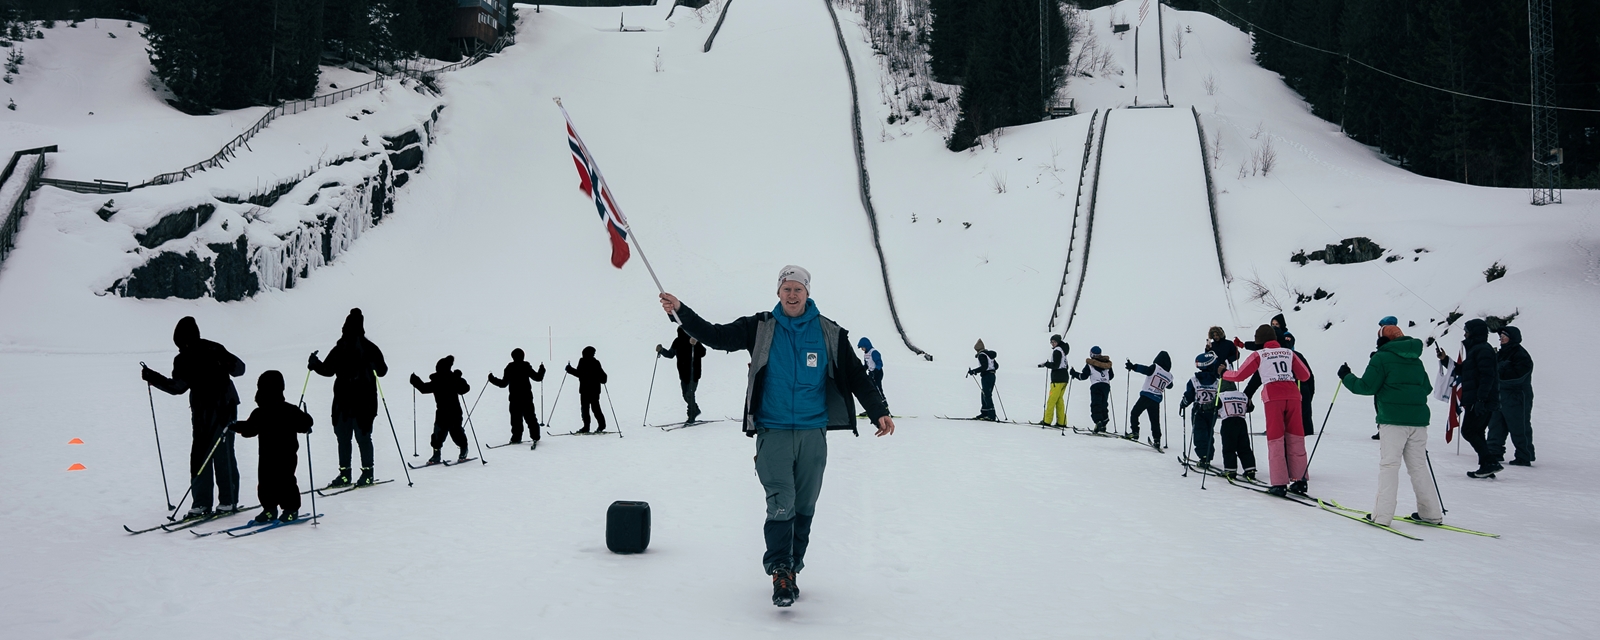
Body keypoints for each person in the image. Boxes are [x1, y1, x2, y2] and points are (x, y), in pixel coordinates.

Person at [657, 265, 893, 608]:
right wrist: (680, 311)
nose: (792, 295)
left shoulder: (828, 332)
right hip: (774, 430)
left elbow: (856, 375)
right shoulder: (760, 327)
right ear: (778, 292)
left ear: (807, 293)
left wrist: (878, 409)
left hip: (813, 432)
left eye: (798, 289)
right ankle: (780, 570)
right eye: (787, 289)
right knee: (782, 502)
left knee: (805, 506)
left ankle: (792, 568)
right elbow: (716, 336)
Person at [1338, 324, 1443, 526]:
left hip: (1393, 421)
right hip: (1418, 421)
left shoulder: (1381, 358)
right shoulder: (1416, 359)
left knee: (1389, 466)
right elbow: (1427, 388)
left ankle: (1382, 516)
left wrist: (1346, 376)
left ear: (1382, 341)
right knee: (1418, 467)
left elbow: (1366, 387)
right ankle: (1431, 513)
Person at [140, 317, 246, 517]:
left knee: (216, 455)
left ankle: (220, 501)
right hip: (206, 411)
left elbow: (239, 369)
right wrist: (153, 377)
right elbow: (179, 386)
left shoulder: (206, 351)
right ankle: (208, 502)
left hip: (221, 408)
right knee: (207, 455)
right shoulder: (193, 355)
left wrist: (153, 377)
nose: (183, 345)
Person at [1223, 325, 1310, 496]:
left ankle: (1279, 483)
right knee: (1296, 437)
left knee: (1276, 438)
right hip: (1293, 395)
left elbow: (1239, 376)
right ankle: (1300, 480)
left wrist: (1223, 373)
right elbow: (1305, 375)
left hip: (1273, 397)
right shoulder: (1288, 352)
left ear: (1259, 341)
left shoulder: (1259, 354)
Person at [308, 308, 388, 487]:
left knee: (344, 438)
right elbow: (382, 371)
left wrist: (314, 364)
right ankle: (367, 473)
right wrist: (373, 365)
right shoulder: (370, 348)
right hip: (365, 402)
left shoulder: (340, 347)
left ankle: (345, 474)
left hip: (343, 402)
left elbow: (327, 370)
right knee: (363, 437)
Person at [231, 370, 314, 523]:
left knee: (284, 480)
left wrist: (306, 422)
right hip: (267, 454)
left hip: (285, 454)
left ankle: (290, 509)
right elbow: (250, 429)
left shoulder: (284, 410)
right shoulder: (264, 412)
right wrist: (236, 426)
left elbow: (304, 423)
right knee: (266, 481)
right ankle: (269, 509)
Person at [1444, 319, 1500, 477]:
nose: (1464, 334)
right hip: (1479, 399)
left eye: (1467, 331)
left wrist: (1481, 400)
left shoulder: (1483, 350)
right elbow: (1464, 371)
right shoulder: (1476, 349)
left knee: (1469, 431)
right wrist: (1445, 360)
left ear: (1474, 332)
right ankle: (1487, 466)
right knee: (1477, 431)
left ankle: (1489, 462)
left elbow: (1487, 377)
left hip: (1481, 400)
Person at [1487, 326, 1535, 467]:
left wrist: (1500, 371)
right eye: (1500, 336)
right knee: (1495, 425)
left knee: (1519, 426)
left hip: (1517, 396)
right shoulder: (1500, 353)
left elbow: (1518, 376)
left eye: (1504, 336)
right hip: (1499, 395)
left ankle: (1524, 455)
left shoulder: (1521, 355)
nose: (1501, 338)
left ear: (1512, 338)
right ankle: (1494, 452)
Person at [411, 356, 471, 464]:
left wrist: (415, 381)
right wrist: (416, 381)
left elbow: (464, 389)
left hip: (453, 412)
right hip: (443, 413)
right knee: (440, 434)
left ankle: (460, 451)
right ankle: (439, 455)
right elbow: (464, 389)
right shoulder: (440, 380)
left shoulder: (452, 379)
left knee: (451, 433)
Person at [488, 349, 546, 446]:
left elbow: (503, 384)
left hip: (514, 399)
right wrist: (542, 370)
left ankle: (516, 438)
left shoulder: (509, 368)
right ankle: (535, 436)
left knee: (516, 420)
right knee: (531, 418)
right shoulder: (526, 366)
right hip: (527, 398)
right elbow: (538, 378)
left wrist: (492, 379)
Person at [1124, 351, 1174, 447]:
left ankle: (1135, 432)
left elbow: (1145, 370)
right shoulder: (1169, 376)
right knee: (1155, 421)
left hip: (1146, 396)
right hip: (1156, 400)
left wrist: (1133, 367)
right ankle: (1157, 440)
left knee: (1134, 413)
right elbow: (1170, 386)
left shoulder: (1155, 368)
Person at [658, 327, 708, 423]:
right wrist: (662, 350)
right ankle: (695, 410)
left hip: (694, 373)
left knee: (690, 394)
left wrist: (696, 343)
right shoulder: (677, 341)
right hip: (683, 374)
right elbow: (670, 354)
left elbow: (703, 352)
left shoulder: (693, 339)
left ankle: (691, 415)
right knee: (685, 395)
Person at [1179, 353, 1220, 467]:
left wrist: (1183, 404)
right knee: (1209, 432)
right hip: (1212, 412)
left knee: (1199, 433)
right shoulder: (1217, 381)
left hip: (1199, 411)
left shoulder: (1194, 380)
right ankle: (1208, 456)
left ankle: (1203, 457)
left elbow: (1189, 396)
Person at [1217, 380, 1257, 480]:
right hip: (1241, 422)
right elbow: (1250, 408)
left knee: (1229, 447)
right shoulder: (1243, 395)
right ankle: (1250, 469)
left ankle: (1230, 470)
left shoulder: (1221, 395)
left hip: (1228, 423)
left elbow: (1212, 406)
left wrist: (1202, 407)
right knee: (1244, 447)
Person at [565, 347, 609, 433]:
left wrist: (569, 369)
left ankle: (591, 426)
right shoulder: (594, 362)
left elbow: (580, 374)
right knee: (591, 409)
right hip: (590, 390)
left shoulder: (587, 362)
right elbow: (603, 377)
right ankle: (597, 426)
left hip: (588, 390)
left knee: (589, 409)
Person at [1072, 346, 1115, 432]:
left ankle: (1098, 421)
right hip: (1106, 386)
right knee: (1103, 404)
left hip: (1096, 385)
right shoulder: (1107, 363)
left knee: (1096, 404)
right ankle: (1104, 421)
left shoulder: (1090, 364)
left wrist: (1074, 373)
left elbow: (1083, 376)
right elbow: (1111, 376)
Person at [1371, 315, 1400, 439]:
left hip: (1385, 380)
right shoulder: (1401, 342)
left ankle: (1383, 430)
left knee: (1381, 403)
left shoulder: (1385, 330)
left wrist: (1377, 356)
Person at [1037, 335, 1071, 427]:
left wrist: (1047, 364)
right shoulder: (1063, 350)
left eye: (1054, 342)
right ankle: (1062, 422)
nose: (1052, 344)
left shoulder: (1057, 351)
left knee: (1051, 400)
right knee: (1059, 401)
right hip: (1064, 378)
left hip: (1057, 379)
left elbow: (1056, 365)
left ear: (1058, 342)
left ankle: (1047, 421)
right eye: (1051, 342)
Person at [967, 340, 999, 421]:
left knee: (986, 394)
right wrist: (991, 370)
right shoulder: (989, 354)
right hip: (992, 375)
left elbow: (984, 367)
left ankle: (991, 415)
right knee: (984, 393)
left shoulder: (981, 355)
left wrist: (974, 371)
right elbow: (996, 366)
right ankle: (985, 412)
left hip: (986, 376)